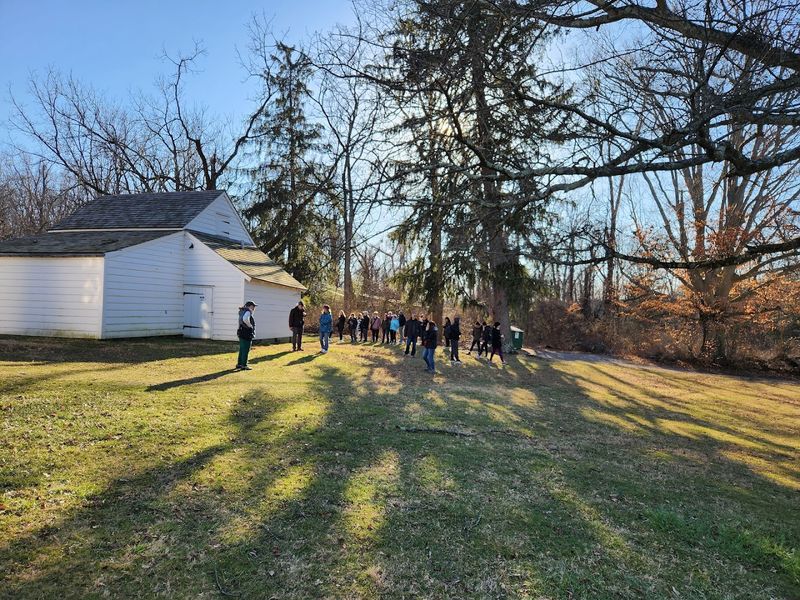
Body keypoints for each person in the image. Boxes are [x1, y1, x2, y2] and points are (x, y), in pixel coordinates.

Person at [236, 301, 257, 370]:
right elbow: (245, 319)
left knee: (242, 349)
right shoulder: (248, 312)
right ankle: (244, 365)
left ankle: (239, 364)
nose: (254, 308)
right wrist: (250, 326)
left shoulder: (242, 311)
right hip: (246, 332)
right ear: (249, 306)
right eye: (253, 306)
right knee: (246, 349)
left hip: (241, 331)